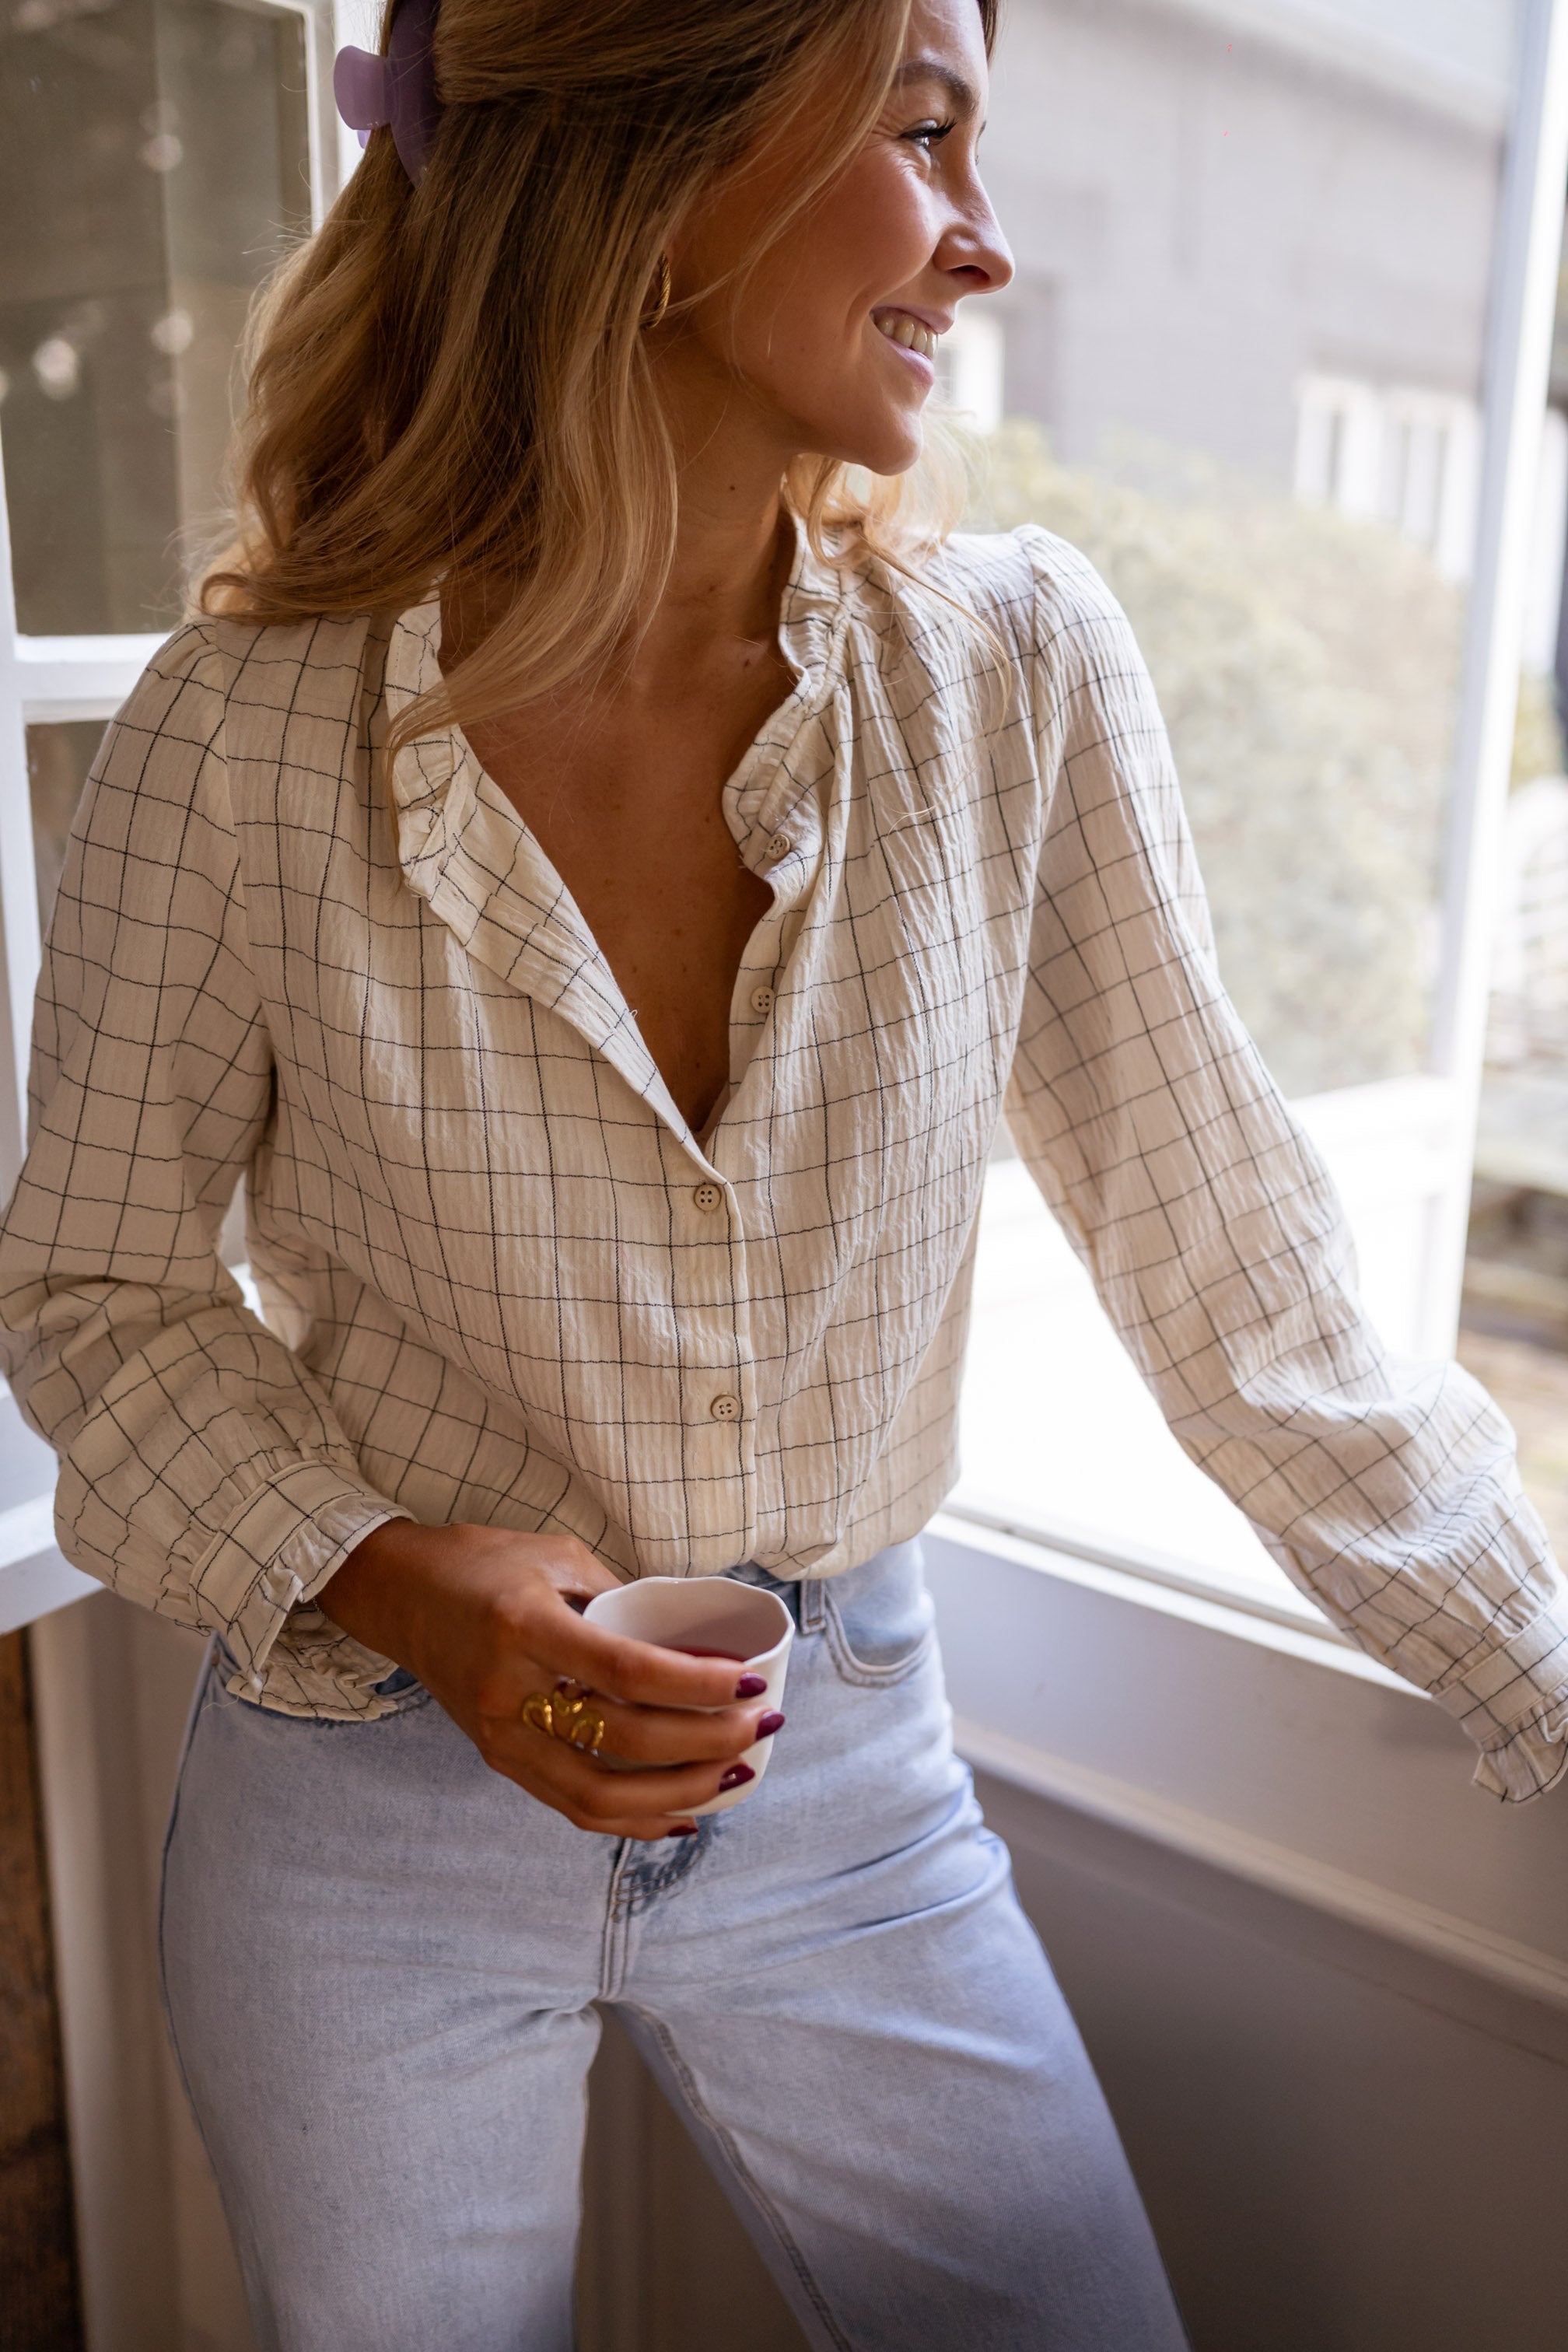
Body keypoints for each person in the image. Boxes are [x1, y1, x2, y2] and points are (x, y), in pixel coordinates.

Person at [2, 0, 1563, 2342]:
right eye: (924, 132)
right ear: (653, 178)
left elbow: (1246, 1287)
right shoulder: (237, 751)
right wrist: (408, 1585)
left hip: (854, 1786)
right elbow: (92, 1302)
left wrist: (1542, 1676)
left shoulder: (1012, 679)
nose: (988, 243)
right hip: (362, 1809)